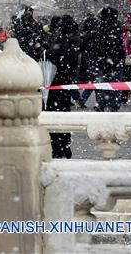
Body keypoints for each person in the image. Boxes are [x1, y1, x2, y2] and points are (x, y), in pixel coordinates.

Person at [45, 15, 80, 158]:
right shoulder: (75, 41)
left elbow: (55, 56)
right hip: (66, 82)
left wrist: (45, 51)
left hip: (56, 82)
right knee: (64, 114)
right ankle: (66, 145)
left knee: (55, 116)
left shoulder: (61, 42)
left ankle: (58, 148)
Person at [93, 7, 122, 112]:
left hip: (104, 60)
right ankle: (111, 105)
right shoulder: (115, 28)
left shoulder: (101, 27)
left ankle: (103, 102)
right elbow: (118, 46)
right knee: (114, 84)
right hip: (113, 61)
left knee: (107, 84)